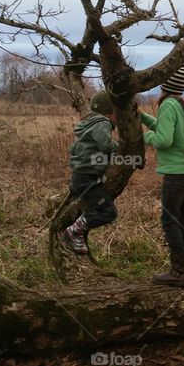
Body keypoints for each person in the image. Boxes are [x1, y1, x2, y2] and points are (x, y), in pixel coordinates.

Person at [138, 65, 184, 287]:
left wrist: (144, 138)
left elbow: (164, 139)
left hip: (175, 174)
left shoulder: (168, 104)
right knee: (183, 219)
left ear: (165, 83)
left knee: (169, 220)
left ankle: (178, 272)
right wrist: (145, 118)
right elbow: (170, 130)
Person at [63, 90, 120, 255]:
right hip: (86, 181)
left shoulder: (91, 123)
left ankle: (76, 228)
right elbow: (106, 146)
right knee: (108, 212)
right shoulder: (102, 123)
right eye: (117, 112)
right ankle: (74, 231)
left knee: (102, 206)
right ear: (110, 112)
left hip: (83, 178)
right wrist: (121, 148)